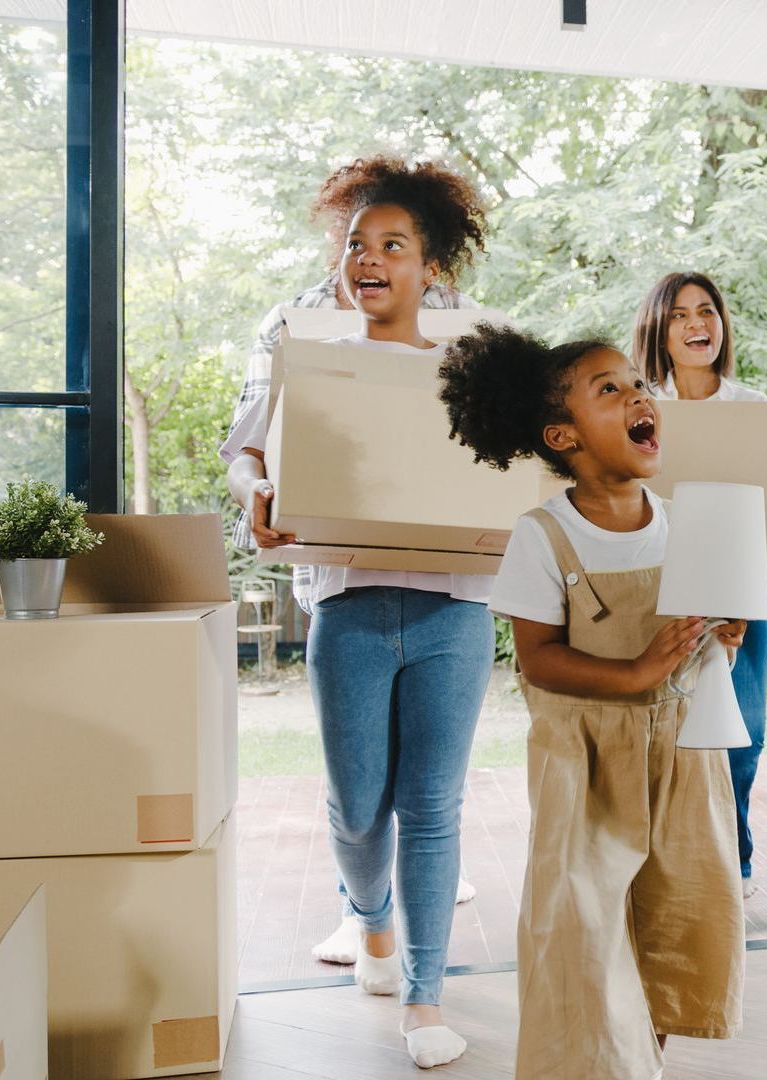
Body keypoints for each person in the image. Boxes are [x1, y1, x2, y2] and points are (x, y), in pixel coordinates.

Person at [222, 157, 494, 1070]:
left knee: (432, 807)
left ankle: (425, 997)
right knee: (355, 806)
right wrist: (257, 490)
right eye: (356, 244)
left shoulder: (471, 355)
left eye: (393, 245)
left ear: (430, 263)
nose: (369, 258)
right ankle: (369, 921)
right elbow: (248, 449)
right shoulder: (304, 341)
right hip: (345, 598)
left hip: (455, 605)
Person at [438, 325, 746, 1080]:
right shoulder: (544, 536)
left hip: (680, 760)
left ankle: (648, 1064)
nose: (639, 395)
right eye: (610, 389)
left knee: (674, 921)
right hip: (585, 766)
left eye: (639, 384)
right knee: (585, 930)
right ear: (563, 435)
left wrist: (723, 636)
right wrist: (637, 672)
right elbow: (540, 662)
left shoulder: (684, 523)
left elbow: (704, 652)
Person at [633, 270, 767, 899]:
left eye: (706, 311)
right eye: (679, 315)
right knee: (666, 729)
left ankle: (737, 860)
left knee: (743, 734)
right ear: (658, 327)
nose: (697, 324)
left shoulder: (751, 409)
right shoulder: (637, 405)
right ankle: (668, 861)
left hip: (738, 593)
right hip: (656, 590)